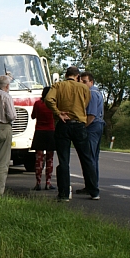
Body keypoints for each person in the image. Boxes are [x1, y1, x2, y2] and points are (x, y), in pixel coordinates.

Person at [44, 66, 99, 202]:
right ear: (78, 77)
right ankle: (94, 191)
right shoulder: (84, 88)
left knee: (64, 160)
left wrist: (58, 112)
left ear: (66, 75)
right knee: (86, 158)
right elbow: (85, 103)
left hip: (63, 124)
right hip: (79, 124)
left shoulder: (57, 86)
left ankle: (63, 194)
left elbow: (48, 100)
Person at [76, 72, 105, 194]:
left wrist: (83, 127)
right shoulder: (97, 92)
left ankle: (93, 187)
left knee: (90, 158)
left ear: (91, 82)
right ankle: (91, 185)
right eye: (81, 81)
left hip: (92, 126)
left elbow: (91, 115)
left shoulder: (92, 94)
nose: (82, 84)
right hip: (97, 126)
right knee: (93, 157)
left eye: (85, 81)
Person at [30, 87, 56, 191]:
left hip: (39, 132)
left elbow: (33, 116)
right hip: (50, 132)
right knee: (50, 159)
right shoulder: (53, 105)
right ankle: (48, 183)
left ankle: (38, 183)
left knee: (39, 159)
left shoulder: (37, 104)